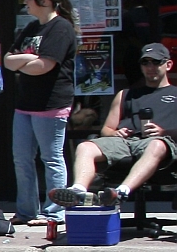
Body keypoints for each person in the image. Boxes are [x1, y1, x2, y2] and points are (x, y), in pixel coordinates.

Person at [50, 43, 177, 208]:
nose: (150, 67)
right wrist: (116, 133)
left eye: (156, 62)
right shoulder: (126, 94)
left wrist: (164, 131)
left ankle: (121, 192)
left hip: (161, 144)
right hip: (125, 142)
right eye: (145, 63)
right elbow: (106, 129)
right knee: (86, 147)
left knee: (156, 145)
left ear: (168, 65)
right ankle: (78, 191)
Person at [3, 0, 79, 225]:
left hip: (51, 104)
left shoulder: (61, 28)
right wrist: (28, 58)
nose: (25, 3)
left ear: (44, 1)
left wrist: (23, 61)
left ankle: (55, 211)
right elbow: (7, 60)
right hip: (25, 103)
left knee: (51, 157)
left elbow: (44, 66)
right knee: (21, 158)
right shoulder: (32, 27)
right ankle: (26, 210)